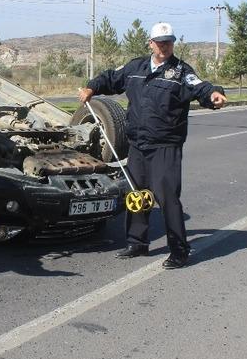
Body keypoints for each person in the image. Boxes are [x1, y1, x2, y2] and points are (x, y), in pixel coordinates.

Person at [79, 22, 227, 269]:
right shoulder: (135, 67)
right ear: (151, 43)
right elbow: (110, 78)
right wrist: (91, 87)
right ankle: (137, 242)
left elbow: (201, 87)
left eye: (168, 42)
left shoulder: (181, 71)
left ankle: (179, 251)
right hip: (138, 144)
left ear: (173, 43)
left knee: (167, 198)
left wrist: (214, 95)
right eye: (159, 42)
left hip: (165, 146)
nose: (164, 47)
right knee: (137, 195)